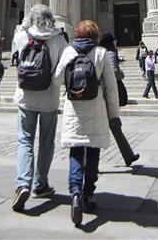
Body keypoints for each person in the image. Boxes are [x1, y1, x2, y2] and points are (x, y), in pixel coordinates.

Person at [55, 19, 120, 227]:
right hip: (96, 108)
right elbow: (111, 87)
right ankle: (89, 194)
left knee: (76, 151)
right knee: (93, 151)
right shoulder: (101, 53)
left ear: (77, 33)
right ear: (95, 35)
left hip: (74, 109)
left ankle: (75, 193)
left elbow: (57, 79)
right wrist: (114, 113)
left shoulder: (68, 52)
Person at [11, 5, 68, 213]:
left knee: (25, 140)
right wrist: (54, 83)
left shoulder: (22, 36)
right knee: (46, 141)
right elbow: (64, 67)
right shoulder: (59, 39)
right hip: (49, 98)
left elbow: (15, 53)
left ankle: (23, 184)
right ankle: (41, 184)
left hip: (25, 96)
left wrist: (24, 25)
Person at [98, 32, 140, 167]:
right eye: (114, 40)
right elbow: (114, 73)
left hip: (102, 95)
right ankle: (90, 163)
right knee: (113, 126)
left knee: (115, 127)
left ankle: (128, 156)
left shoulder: (99, 53)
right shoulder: (110, 53)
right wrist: (122, 74)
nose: (116, 42)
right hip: (108, 96)